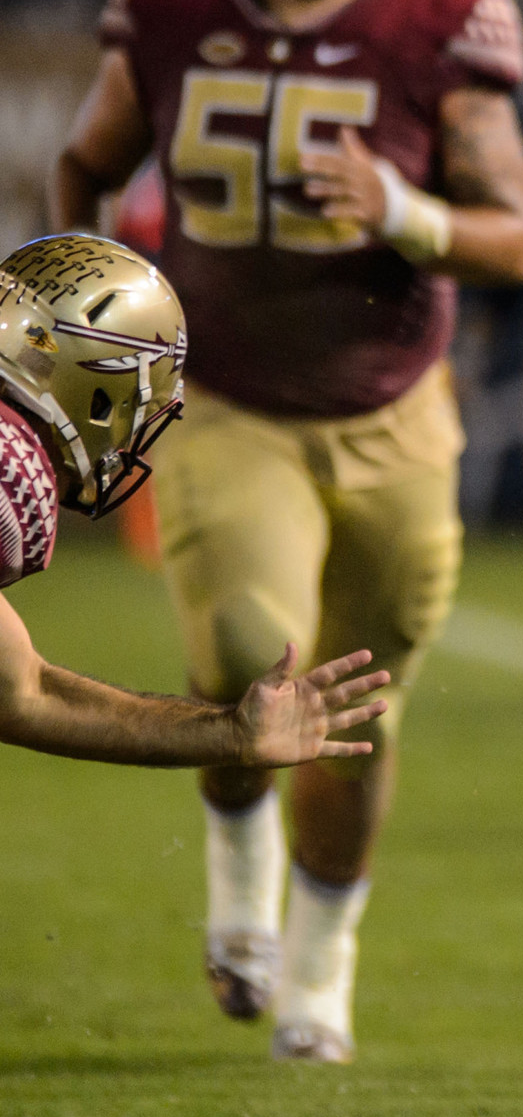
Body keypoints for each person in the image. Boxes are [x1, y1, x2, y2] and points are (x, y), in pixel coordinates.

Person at [48, 0, 523, 1064]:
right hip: (229, 403)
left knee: (358, 720)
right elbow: (89, 161)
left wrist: (402, 210)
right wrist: (85, 299)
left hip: (394, 412)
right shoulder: (174, 1)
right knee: (243, 659)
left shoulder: (435, 22)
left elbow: (516, 237)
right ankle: (238, 875)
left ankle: (323, 969)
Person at [0, 233, 388, 770]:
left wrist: (231, 734)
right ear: (94, 391)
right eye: (136, 402)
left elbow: (24, 693)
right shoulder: (11, 478)